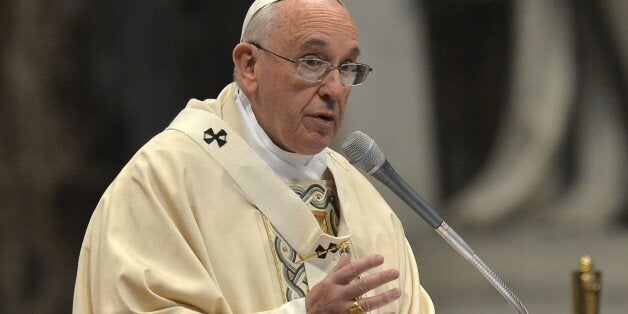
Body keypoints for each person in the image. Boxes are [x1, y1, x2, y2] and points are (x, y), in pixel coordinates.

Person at [73, 0, 434, 312]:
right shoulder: (163, 181)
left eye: (347, 67)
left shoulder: (366, 205)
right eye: (312, 62)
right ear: (249, 66)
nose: (335, 89)